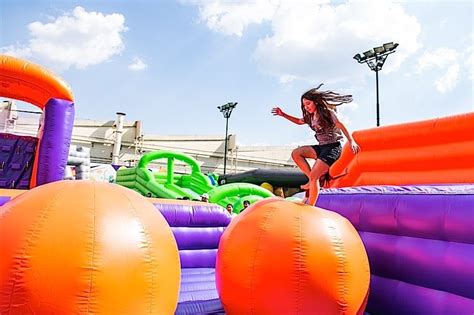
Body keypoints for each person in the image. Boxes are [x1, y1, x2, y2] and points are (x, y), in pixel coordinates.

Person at [272, 84, 360, 205]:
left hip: (332, 148)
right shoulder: (310, 117)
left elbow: (340, 125)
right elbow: (298, 121)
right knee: (297, 153)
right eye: (304, 105)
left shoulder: (327, 113)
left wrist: (351, 141)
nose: (306, 107)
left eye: (308, 103)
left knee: (315, 177)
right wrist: (283, 114)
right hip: (322, 147)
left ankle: (310, 205)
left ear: (316, 102)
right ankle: (311, 180)